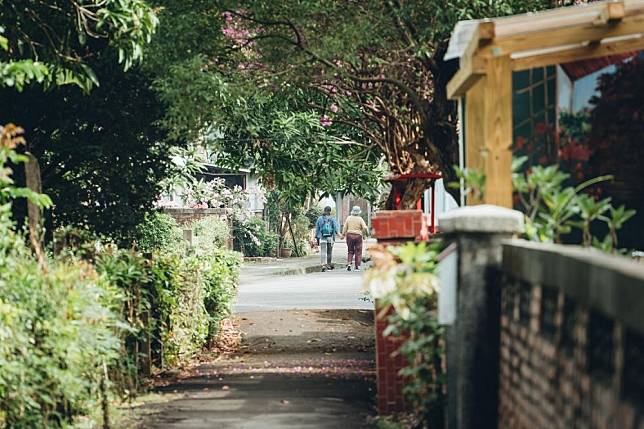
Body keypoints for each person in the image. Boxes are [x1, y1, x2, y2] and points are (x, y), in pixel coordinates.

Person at [342, 206, 369, 271]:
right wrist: (366, 234)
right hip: (358, 236)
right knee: (358, 251)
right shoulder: (360, 219)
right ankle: (357, 266)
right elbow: (365, 227)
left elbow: (345, 227)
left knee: (350, 251)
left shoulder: (348, 218)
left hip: (349, 235)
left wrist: (343, 234)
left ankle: (349, 264)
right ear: (359, 212)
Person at [315, 206, 341, 271]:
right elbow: (336, 228)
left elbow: (317, 229)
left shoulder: (320, 218)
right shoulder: (332, 219)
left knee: (323, 251)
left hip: (322, 237)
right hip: (330, 237)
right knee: (329, 252)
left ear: (324, 210)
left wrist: (317, 237)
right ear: (330, 211)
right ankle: (329, 265)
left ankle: (323, 265)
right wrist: (338, 236)